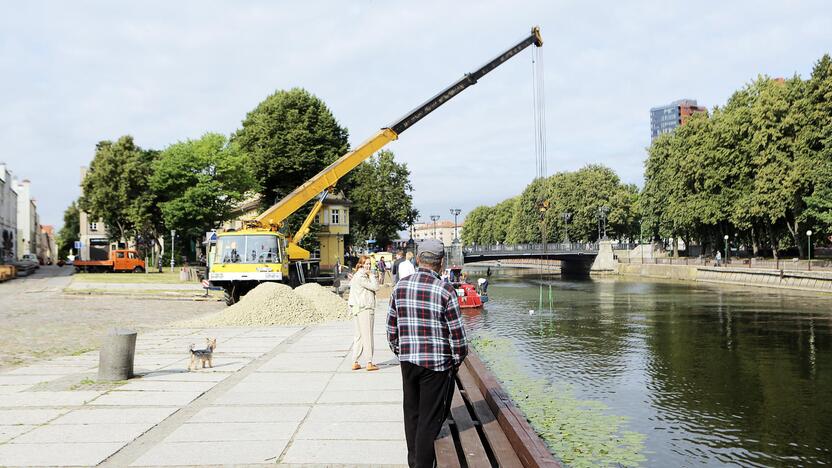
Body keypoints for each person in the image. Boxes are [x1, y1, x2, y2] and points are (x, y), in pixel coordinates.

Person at [387, 239, 468, 467]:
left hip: (408, 362)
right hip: (436, 366)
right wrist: (454, 360)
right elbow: (459, 338)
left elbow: (391, 330)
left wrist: (402, 351)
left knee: (411, 415)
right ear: (441, 263)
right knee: (429, 421)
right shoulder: (446, 290)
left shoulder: (400, 287)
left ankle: (413, 462)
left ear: (418, 259)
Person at [349, 255, 380, 372]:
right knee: (367, 335)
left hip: (357, 308)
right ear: (361, 264)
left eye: (369, 264)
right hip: (365, 308)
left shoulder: (356, 275)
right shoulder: (362, 276)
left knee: (359, 335)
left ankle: (355, 361)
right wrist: (372, 275)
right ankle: (369, 362)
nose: (368, 266)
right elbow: (375, 287)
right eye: (366, 264)